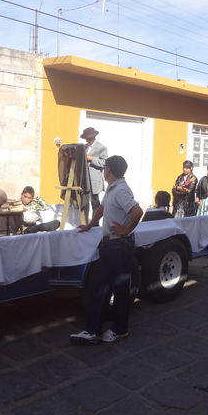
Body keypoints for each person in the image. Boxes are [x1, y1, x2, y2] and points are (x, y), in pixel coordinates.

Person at [71, 156, 143, 345]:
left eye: (104, 168)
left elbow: (137, 212)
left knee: (117, 289)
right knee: (102, 289)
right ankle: (93, 331)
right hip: (110, 245)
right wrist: (90, 225)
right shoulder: (112, 189)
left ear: (108, 170)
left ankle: (119, 330)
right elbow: (101, 209)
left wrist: (125, 230)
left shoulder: (120, 190)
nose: (103, 171)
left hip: (118, 245)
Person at [81, 127, 108, 217]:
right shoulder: (84, 147)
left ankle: (95, 224)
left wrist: (91, 158)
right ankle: (84, 222)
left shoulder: (102, 147)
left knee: (95, 203)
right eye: (86, 138)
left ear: (93, 137)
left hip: (94, 180)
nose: (87, 140)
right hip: (84, 179)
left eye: (89, 138)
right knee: (84, 203)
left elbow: (104, 163)